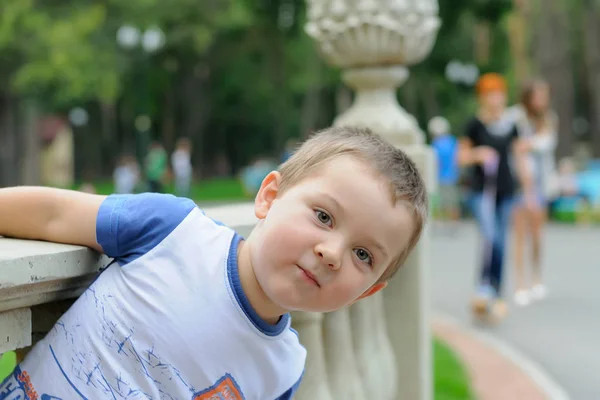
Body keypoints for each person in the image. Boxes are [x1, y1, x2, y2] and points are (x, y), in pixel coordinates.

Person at [0, 126, 428, 399]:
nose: (332, 254)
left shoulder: (282, 371)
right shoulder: (172, 230)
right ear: (269, 197)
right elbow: (51, 213)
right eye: (323, 216)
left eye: (363, 255)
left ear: (367, 291)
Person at [457, 73, 530, 319]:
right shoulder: (474, 125)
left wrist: (528, 190)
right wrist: (478, 154)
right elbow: (461, 157)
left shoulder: (511, 126)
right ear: (482, 97)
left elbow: (520, 158)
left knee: (500, 242)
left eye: (498, 94)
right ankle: (484, 289)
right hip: (481, 191)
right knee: (491, 238)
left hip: (506, 191)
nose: (495, 99)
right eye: (490, 94)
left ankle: (494, 292)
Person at [507, 79, 558, 306]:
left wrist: (529, 144)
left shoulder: (549, 119)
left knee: (537, 234)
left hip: (541, 183)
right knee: (520, 235)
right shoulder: (515, 118)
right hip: (519, 183)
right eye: (538, 95)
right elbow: (515, 149)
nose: (542, 100)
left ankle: (536, 277)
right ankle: (520, 283)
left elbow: (546, 144)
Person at [429, 116, 460, 230]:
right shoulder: (453, 142)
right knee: (452, 202)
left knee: (438, 202)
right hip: (452, 177)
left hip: (439, 177)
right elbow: (457, 159)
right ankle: (454, 224)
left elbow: (435, 162)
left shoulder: (435, 144)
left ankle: (439, 223)